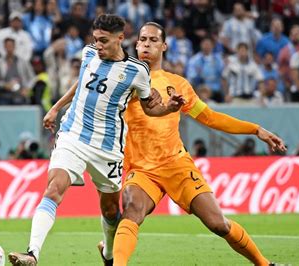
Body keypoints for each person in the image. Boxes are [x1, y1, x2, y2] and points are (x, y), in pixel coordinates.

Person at [8, 14, 184, 266]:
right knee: (54, 189)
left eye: (104, 41)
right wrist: (56, 108)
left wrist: (168, 108)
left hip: (108, 146)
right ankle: (32, 253)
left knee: (111, 210)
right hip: (73, 136)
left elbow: (149, 107)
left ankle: (109, 255)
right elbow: (83, 82)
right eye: (95, 40)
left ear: (120, 39)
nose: (98, 45)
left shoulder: (137, 70)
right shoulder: (89, 53)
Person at [111, 22, 286, 266]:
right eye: (142, 40)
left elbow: (210, 118)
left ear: (164, 46)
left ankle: (264, 264)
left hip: (177, 165)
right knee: (132, 211)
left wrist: (255, 130)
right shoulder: (124, 79)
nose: (146, 44)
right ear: (136, 44)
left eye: (153, 40)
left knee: (218, 224)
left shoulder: (179, 84)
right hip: (142, 169)